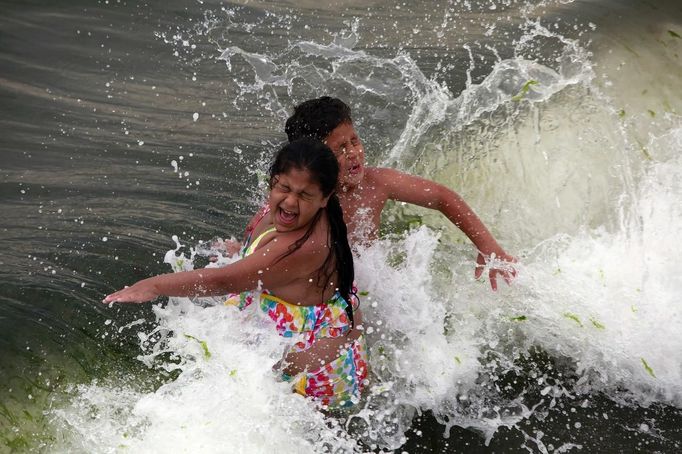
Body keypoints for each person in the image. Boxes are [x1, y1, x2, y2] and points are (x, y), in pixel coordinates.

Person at [104, 138, 368, 409]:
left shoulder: (303, 248)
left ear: (325, 198)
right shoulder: (286, 215)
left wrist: (154, 286)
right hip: (296, 341)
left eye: (304, 195)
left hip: (317, 372)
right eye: (284, 188)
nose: (290, 201)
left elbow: (224, 280)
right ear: (273, 181)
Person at [238, 97, 516, 290]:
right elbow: (263, 227)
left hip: (364, 280)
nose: (354, 154)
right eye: (340, 149)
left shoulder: (376, 183)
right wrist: (242, 251)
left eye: (354, 141)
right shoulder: (304, 200)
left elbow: (444, 197)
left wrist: (488, 247)